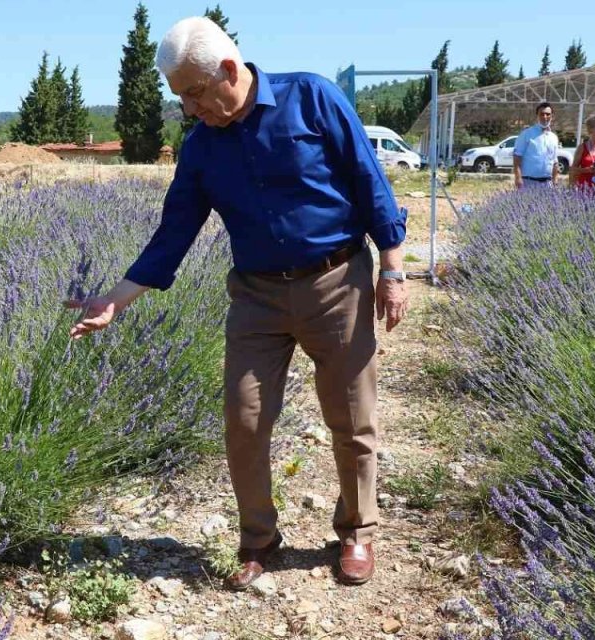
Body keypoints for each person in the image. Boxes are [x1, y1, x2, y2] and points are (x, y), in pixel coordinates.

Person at [64, 16, 408, 590]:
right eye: (181, 100)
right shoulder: (201, 147)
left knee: (351, 419)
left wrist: (393, 270)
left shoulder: (313, 99)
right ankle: (257, 540)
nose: (192, 110)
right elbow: (173, 233)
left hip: (337, 283)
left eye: (195, 95)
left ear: (228, 70)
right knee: (244, 420)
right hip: (256, 294)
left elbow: (371, 183)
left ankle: (355, 530)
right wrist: (117, 301)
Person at [513, 102, 560, 189]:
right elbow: (517, 157)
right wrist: (518, 178)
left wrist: (555, 179)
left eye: (548, 114)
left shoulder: (553, 137)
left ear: (552, 116)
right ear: (537, 116)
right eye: (542, 114)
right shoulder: (526, 134)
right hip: (528, 182)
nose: (545, 117)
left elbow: (555, 161)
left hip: (548, 183)